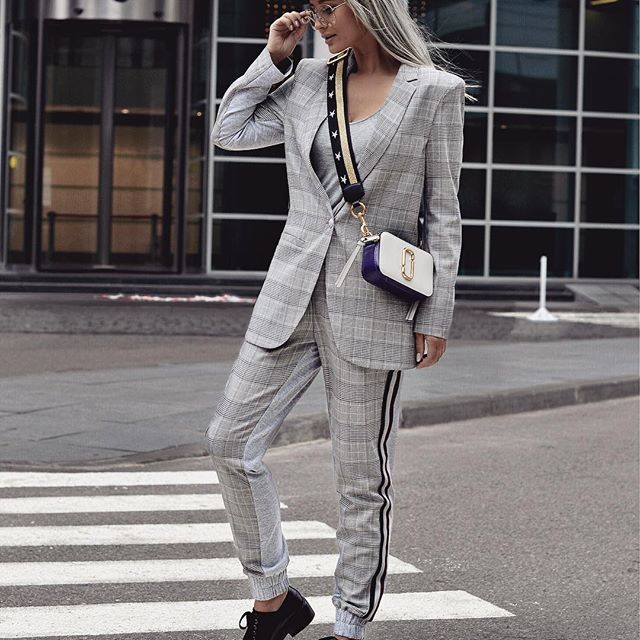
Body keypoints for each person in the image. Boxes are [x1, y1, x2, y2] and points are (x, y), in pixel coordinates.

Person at [205, 1, 467, 638]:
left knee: (359, 480)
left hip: (375, 302)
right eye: (313, 7)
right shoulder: (304, 81)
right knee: (230, 442)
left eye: (330, 8)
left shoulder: (433, 92)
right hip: (290, 294)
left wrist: (436, 312)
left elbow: (443, 210)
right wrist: (273, 58)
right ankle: (273, 598)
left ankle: (349, 622)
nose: (319, 21)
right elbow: (229, 131)